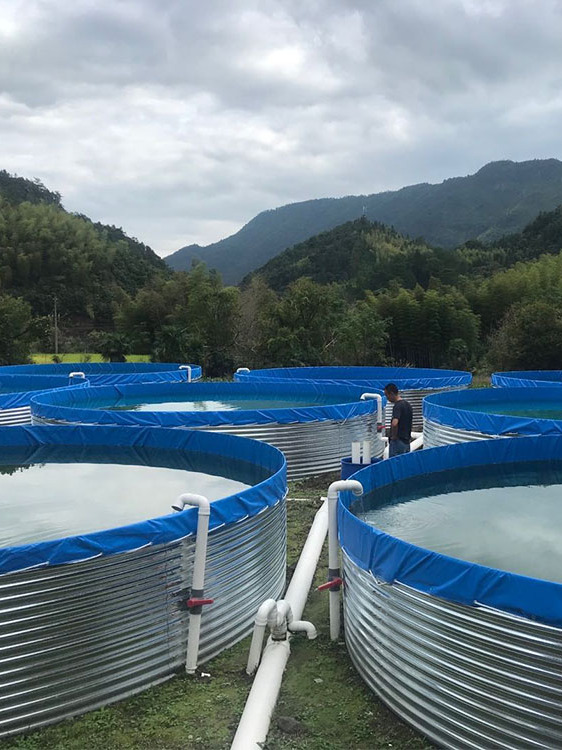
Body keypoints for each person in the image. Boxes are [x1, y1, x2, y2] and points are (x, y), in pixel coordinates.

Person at [384, 383, 413, 458]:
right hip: (406, 441)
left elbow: (394, 423)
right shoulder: (408, 405)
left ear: (391, 393)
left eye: (387, 395)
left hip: (398, 441)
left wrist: (394, 437)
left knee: (394, 464)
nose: (387, 398)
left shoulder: (397, 406)